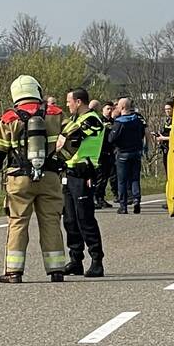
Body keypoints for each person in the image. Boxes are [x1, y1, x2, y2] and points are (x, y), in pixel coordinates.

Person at [0, 75, 67, 283]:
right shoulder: (55, 114)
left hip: (19, 180)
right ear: (37, 91)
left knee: (17, 223)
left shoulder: (9, 118)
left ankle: (13, 272)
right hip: (49, 177)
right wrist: (62, 163)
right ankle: (56, 269)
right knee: (51, 222)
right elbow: (72, 141)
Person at [59, 88, 106, 278]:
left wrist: (64, 137)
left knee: (85, 218)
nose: (67, 105)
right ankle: (75, 260)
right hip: (69, 173)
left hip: (83, 173)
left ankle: (96, 261)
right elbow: (62, 137)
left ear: (79, 102)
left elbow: (70, 139)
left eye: (69, 101)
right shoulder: (75, 120)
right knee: (69, 219)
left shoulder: (92, 120)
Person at [110, 96, 147, 214]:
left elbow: (111, 138)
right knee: (135, 178)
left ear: (122, 107)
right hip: (136, 152)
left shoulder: (119, 122)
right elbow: (142, 134)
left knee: (122, 180)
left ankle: (123, 205)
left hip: (123, 154)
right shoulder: (137, 119)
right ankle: (136, 200)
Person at [94, 101, 117, 208]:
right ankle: (96, 198)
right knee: (100, 177)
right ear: (102, 109)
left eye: (111, 109)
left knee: (106, 177)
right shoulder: (98, 120)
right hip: (100, 152)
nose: (109, 111)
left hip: (110, 152)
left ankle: (101, 198)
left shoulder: (114, 122)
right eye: (107, 109)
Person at [155, 99, 174, 177]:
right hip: (165, 147)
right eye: (166, 109)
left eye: (169, 109)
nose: (167, 111)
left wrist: (164, 138)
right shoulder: (167, 120)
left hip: (173, 148)